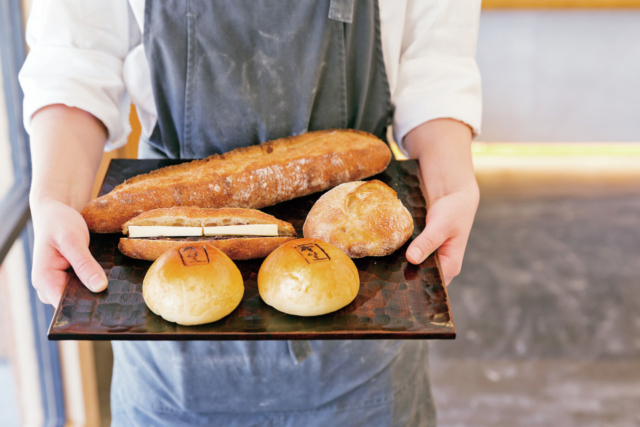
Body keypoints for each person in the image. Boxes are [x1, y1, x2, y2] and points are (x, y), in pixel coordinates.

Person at [20, 0, 481, 425]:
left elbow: (436, 62)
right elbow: (75, 58)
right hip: (169, 365)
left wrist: (451, 184)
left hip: (367, 349)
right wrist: (55, 198)